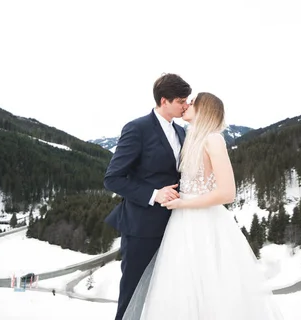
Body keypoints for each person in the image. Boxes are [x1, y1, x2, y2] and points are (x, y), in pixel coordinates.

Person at [123, 92, 283, 320]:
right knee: (181, 286)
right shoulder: (191, 138)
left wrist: (184, 203)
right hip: (181, 222)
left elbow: (228, 192)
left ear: (204, 109)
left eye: (193, 102)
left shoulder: (213, 139)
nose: (187, 105)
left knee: (208, 285)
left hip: (203, 223)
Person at [104, 73, 192, 320]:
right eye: (180, 100)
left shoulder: (182, 132)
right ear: (164, 100)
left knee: (165, 294)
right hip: (141, 227)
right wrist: (154, 194)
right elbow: (112, 178)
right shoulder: (137, 128)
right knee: (133, 295)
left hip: (175, 226)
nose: (185, 105)